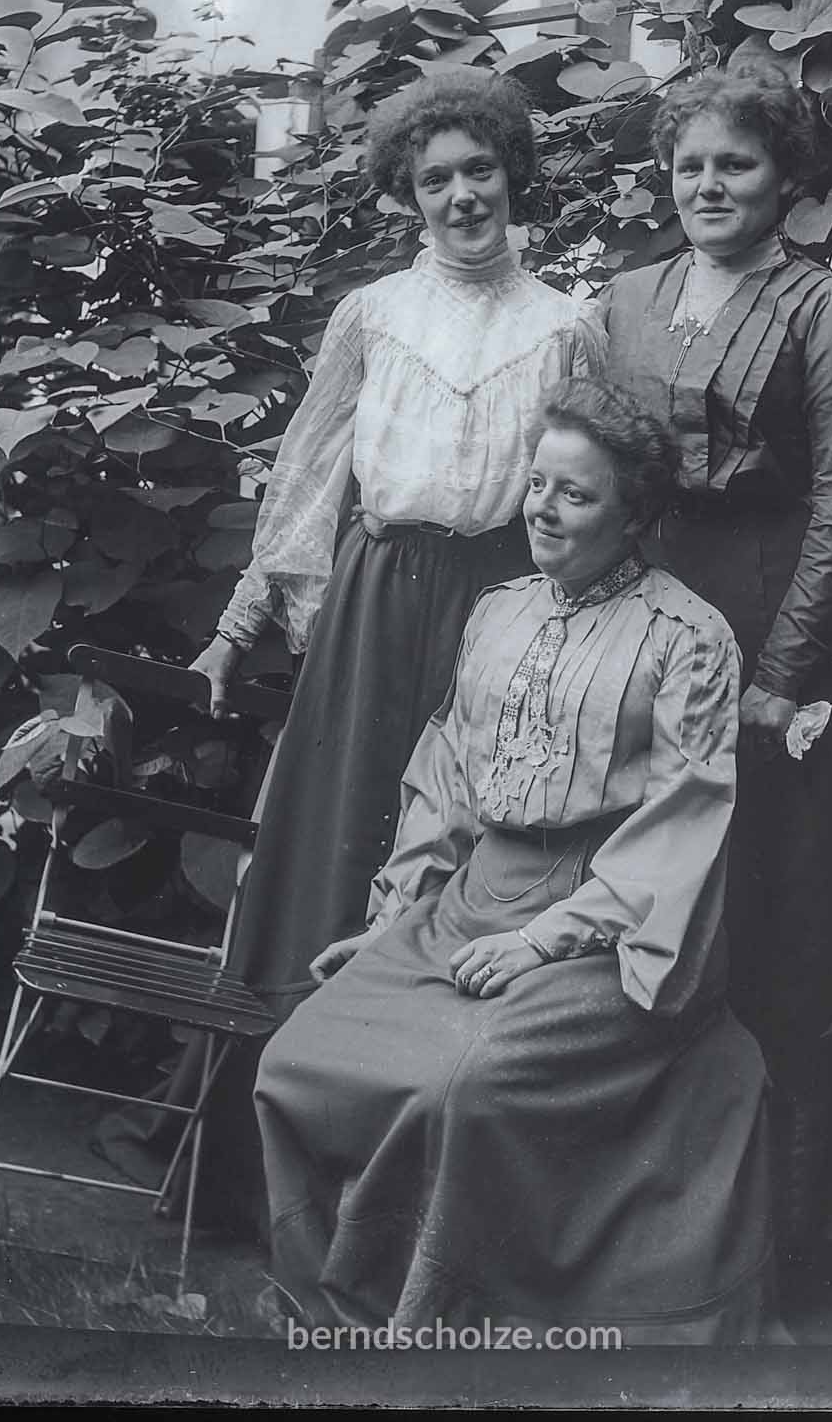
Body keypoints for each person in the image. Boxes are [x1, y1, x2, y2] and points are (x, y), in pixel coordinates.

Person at [96, 69, 599, 1220]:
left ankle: (420, 1182)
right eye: (436, 180)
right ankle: (257, 1170)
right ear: (405, 195)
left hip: (501, 610)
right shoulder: (373, 315)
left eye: (479, 171)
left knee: (472, 861)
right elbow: (310, 483)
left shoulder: (568, 326)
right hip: (373, 612)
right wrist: (239, 629)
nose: (462, 197)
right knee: (332, 854)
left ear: (513, 175)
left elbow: (587, 494)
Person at [254, 380, 773, 1342]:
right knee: (299, 1053)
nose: (543, 509)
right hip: (469, 901)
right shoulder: (498, 611)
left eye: (576, 494)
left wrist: (542, 942)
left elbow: (683, 820)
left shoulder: (688, 638)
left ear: (635, 516)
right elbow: (448, 776)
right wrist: (392, 919)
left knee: (467, 1083)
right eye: (538, 484)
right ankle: (337, 1314)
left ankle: (446, 1324)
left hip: (608, 923)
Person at [598, 59, 832, 1257]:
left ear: (786, 178)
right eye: (690, 165)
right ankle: (628, 1193)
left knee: (772, 905)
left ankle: (761, 1219)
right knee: (647, 883)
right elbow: (593, 460)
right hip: (649, 613)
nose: (709, 185)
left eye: (736, 162)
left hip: (782, 616)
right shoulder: (625, 300)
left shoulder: (826, 312)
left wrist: (779, 676)